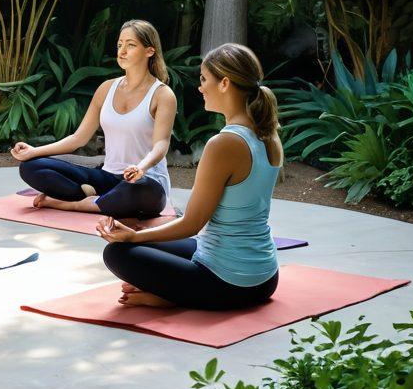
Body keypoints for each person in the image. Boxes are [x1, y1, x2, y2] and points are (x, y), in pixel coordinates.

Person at [98, 42, 282, 310]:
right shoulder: (268, 135)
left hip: (229, 283)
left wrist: (133, 238)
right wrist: (138, 234)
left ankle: (173, 298)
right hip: (265, 277)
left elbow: (192, 224)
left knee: (118, 252)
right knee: (150, 238)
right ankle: (178, 290)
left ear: (225, 84)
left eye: (204, 79)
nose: (200, 87)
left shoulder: (224, 144)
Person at [10, 20, 177, 219]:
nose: (122, 51)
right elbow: (78, 138)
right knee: (31, 167)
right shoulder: (106, 89)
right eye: (119, 44)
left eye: (130, 45)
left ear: (149, 51)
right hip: (107, 176)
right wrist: (33, 151)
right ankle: (91, 197)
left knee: (141, 192)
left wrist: (141, 167)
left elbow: (161, 144)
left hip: (144, 181)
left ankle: (70, 204)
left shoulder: (162, 95)